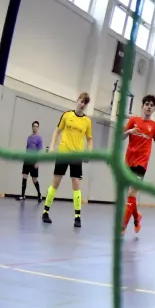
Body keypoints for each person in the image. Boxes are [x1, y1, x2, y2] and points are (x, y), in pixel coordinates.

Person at [42, 92, 93, 228]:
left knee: (76, 184)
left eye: (85, 103)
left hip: (76, 156)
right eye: (81, 101)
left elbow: (89, 139)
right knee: (55, 183)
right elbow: (57, 131)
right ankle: (45, 211)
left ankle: (77, 216)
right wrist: (52, 146)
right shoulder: (66, 115)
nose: (82, 105)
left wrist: (89, 152)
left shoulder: (87, 121)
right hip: (63, 153)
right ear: (77, 101)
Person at [121, 94, 155, 233]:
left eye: (151, 105)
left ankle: (122, 226)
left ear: (153, 110)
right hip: (128, 161)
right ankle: (137, 217)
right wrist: (130, 131)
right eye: (147, 104)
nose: (149, 107)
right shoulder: (133, 120)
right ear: (142, 106)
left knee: (131, 194)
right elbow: (121, 136)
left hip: (142, 164)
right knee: (130, 196)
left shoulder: (154, 126)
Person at [20, 121, 43, 202]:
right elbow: (27, 149)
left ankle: (39, 195)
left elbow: (40, 151)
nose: (35, 127)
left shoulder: (39, 138)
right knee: (24, 176)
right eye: (34, 126)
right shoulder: (29, 137)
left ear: (38, 128)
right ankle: (22, 195)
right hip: (27, 160)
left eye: (36, 126)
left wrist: (38, 162)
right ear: (32, 127)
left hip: (34, 161)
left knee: (34, 179)